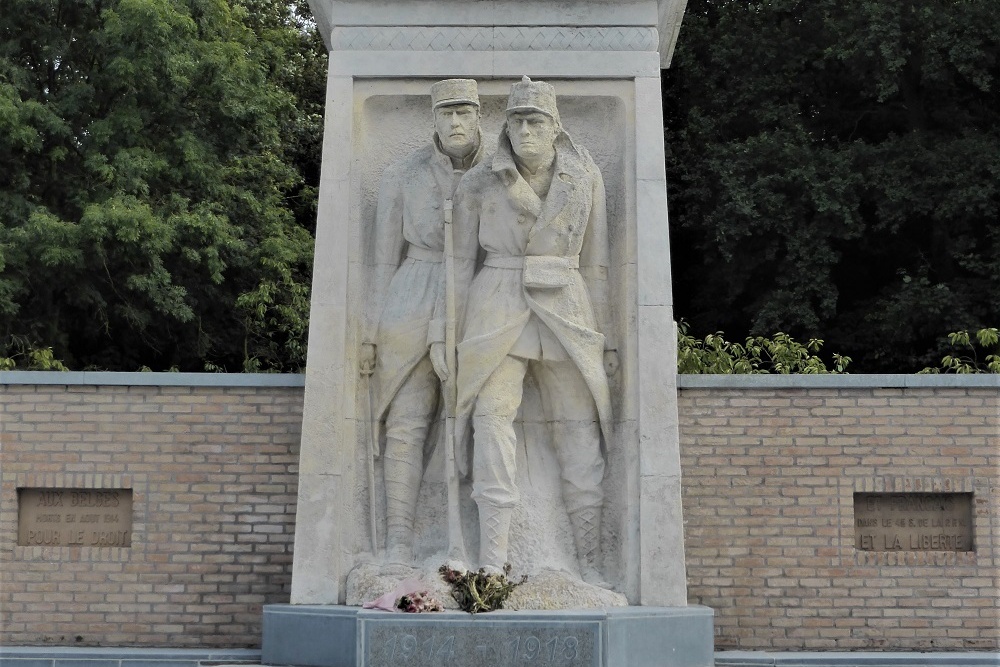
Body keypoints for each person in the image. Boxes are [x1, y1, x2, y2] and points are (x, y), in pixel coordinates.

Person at [453, 76, 617, 586]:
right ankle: (491, 560)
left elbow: (598, 265)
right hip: (497, 300)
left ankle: (589, 561)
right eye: (518, 121)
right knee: (490, 418)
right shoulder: (480, 181)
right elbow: (458, 265)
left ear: (554, 127)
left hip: (566, 303)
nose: (526, 131)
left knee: (578, 430)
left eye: (536, 122)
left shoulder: (584, 175)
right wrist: (443, 333)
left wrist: (606, 337)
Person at [362, 79, 486, 563]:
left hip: (476, 294)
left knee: (483, 421)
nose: (455, 123)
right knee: (407, 424)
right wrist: (371, 332)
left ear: (478, 117)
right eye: (446, 114)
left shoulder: (498, 173)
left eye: (464, 113)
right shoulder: (402, 175)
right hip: (412, 292)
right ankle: (398, 540)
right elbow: (380, 263)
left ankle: (485, 548)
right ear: (433, 120)